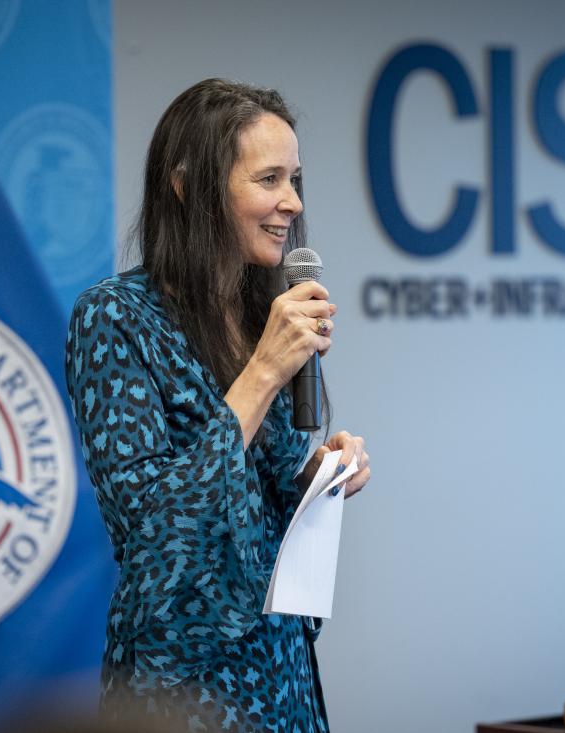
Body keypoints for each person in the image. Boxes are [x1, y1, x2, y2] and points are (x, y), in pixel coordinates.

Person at [64, 78, 371, 732]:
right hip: (179, 684)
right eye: (268, 179)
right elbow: (151, 526)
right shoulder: (115, 317)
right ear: (188, 187)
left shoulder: (269, 312)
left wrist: (318, 478)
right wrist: (263, 370)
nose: (290, 202)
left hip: (283, 666)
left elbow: (252, 505)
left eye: (295, 179)